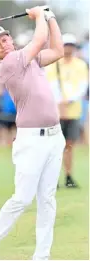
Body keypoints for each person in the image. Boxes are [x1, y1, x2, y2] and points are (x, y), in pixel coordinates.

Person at [0, 6, 65, 260]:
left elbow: (58, 50)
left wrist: (50, 18)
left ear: (11, 39)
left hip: (54, 137)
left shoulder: (29, 60)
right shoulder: (9, 63)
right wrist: (39, 15)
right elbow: (39, 40)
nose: (3, 44)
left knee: (47, 199)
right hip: (31, 141)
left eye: (5, 39)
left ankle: (42, 255)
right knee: (22, 199)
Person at [45, 33, 89, 188]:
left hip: (73, 111)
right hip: (56, 111)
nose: (68, 48)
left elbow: (83, 85)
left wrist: (69, 100)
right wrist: (59, 102)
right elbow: (50, 85)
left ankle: (68, 176)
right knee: (54, 147)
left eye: (71, 45)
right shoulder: (53, 64)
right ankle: (53, 177)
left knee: (69, 145)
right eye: (66, 45)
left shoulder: (80, 64)